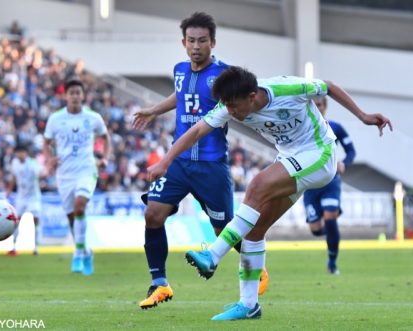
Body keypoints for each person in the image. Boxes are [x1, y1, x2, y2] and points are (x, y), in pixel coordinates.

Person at [147, 66, 392, 320]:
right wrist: (165, 161)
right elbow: (197, 130)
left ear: (252, 96)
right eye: (227, 106)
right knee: (255, 229)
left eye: (234, 106)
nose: (230, 112)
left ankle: (213, 254)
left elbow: (328, 86)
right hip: (290, 157)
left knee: (256, 186)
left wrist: (363, 116)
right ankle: (249, 305)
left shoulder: (286, 89)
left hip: (320, 154)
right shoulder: (230, 105)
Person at [132, 12, 269, 310]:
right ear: (183, 43)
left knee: (224, 232)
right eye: (191, 41)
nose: (196, 46)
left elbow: (245, 101)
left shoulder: (225, 76)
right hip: (180, 163)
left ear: (213, 42)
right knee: (153, 215)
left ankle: (258, 268)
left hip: (210, 165)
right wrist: (154, 110)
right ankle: (160, 284)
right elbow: (181, 96)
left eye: (202, 41)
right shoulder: (180, 70)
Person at [43, 78, 111, 276]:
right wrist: (49, 159)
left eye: (77, 93)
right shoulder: (55, 119)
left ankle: (77, 254)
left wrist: (104, 158)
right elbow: (46, 142)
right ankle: (86, 250)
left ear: (83, 96)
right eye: (71, 93)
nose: (74, 96)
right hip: (64, 173)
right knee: (72, 217)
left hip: (86, 169)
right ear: (66, 96)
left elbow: (105, 138)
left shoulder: (93, 118)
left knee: (80, 205)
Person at [303, 96, 356, 275]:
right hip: (310, 184)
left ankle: (332, 262)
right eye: (314, 105)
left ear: (325, 107)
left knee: (331, 216)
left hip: (331, 180)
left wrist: (344, 163)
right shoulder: (303, 128)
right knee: (316, 230)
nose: (316, 108)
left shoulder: (336, 128)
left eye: (319, 105)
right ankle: (332, 234)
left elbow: (351, 150)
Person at [6, 144, 43, 256]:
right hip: (21, 197)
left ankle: (36, 247)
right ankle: (13, 247)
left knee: (35, 220)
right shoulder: (14, 163)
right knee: (16, 221)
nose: (19, 154)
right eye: (18, 152)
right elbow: (13, 177)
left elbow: (41, 173)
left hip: (33, 197)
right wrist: (9, 190)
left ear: (26, 153)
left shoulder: (33, 163)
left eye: (21, 152)